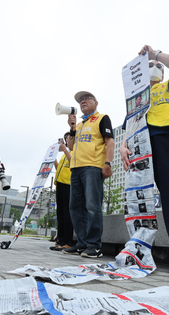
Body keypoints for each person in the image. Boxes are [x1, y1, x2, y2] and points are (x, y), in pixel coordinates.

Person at [120, 45, 169, 278]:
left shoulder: (168, 88)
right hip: (138, 146)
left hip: (162, 139)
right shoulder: (137, 98)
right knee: (136, 199)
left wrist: (156, 55)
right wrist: (123, 146)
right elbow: (128, 124)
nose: (153, 68)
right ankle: (137, 251)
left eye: (157, 67)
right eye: (149, 66)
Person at [62, 91, 114, 258]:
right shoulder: (80, 124)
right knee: (75, 207)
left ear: (95, 103)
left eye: (86, 99)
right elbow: (71, 146)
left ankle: (94, 245)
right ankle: (82, 243)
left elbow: (110, 141)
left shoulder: (102, 118)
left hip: (92, 167)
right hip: (76, 168)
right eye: (80, 100)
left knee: (92, 206)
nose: (82, 101)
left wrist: (108, 163)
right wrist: (71, 128)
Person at [50, 132, 75, 251]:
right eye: (65, 139)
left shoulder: (74, 151)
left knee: (67, 214)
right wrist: (52, 157)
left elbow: (73, 163)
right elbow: (58, 167)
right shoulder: (65, 154)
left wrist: (65, 149)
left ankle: (67, 241)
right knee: (60, 213)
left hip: (69, 184)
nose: (66, 141)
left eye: (69, 138)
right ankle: (60, 239)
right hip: (60, 183)